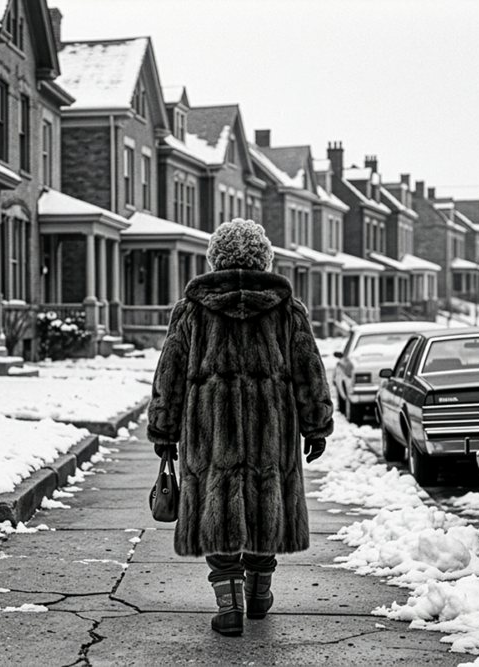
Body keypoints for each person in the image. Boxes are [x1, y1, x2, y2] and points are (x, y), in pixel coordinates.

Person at [148, 218, 334, 636]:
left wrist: (164, 431)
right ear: (264, 258)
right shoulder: (287, 308)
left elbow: (170, 374)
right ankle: (260, 594)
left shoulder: (192, 308)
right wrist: (316, 425)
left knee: (218, 515)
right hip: (273, 434)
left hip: (209, 434)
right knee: (267, 512)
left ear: (214, 258)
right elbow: (310, 371)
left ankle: (229, 604)